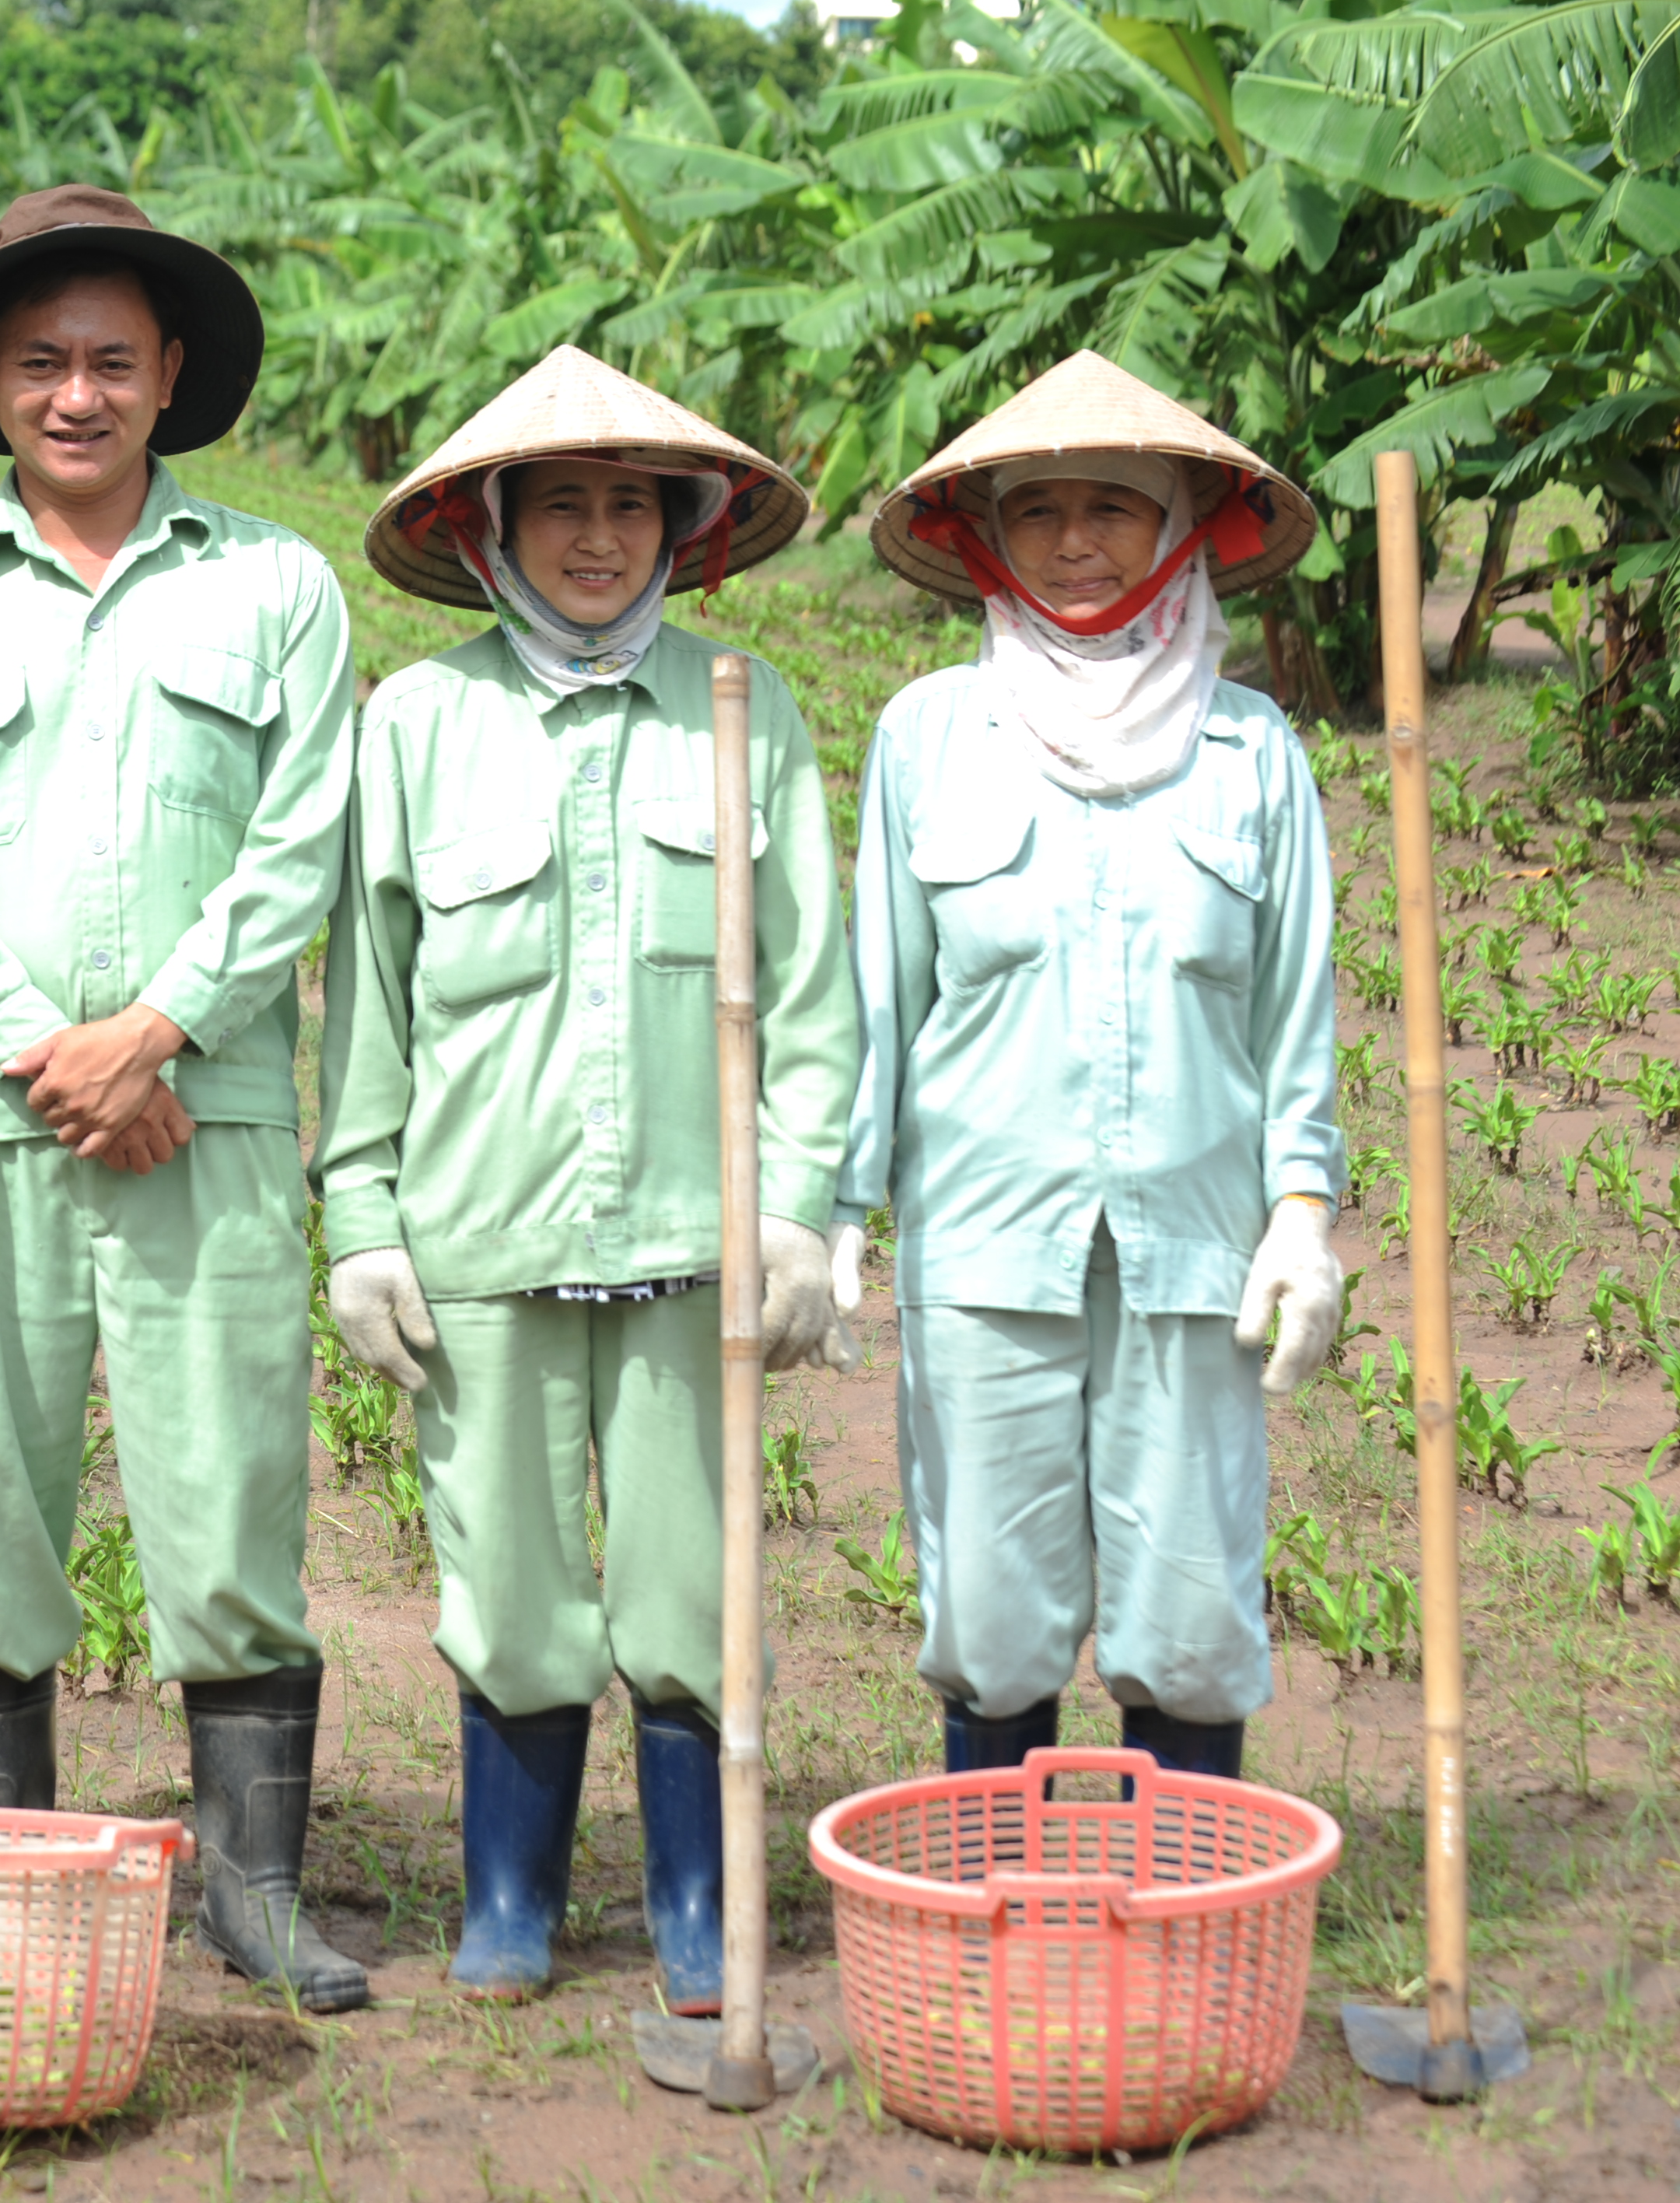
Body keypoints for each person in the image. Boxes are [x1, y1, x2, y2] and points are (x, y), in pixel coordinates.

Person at [0, 185, 367, 2011]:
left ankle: (251, 1891)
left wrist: (158, 1028)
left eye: (113, 362)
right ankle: (13, 1877)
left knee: (229, 1487)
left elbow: (300, 839)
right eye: (43, 359)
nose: (78, 394)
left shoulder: (276, 589)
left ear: (172, 381)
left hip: (201, 1116)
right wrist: (50, 1052)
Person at [317, 348, 854, 2004]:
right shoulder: (413, 725)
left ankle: (697, 1905)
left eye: (633, 505)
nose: (599, 537)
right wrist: (361, 1221)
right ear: (491, 531)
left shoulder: (747, 712)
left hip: (696, 1242)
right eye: (563, 506)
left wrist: (800, 1206)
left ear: (684, 529)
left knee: (693, 1586)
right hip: (485, 1234)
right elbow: (368, 1005)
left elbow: (817, 991)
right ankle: (512, 1900)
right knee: (512, 1583)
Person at [837, 349, 1344, 1781]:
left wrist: (1302, 1210)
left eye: (1113, 507)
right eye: (1040, 508)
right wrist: (830, 1210)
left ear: (1182, 526)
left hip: (1196, 1243)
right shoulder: (929, 739)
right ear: (984, 534)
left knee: (1190, 1606)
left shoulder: (1253, 755)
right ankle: (1008, 1900)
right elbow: (880, 997)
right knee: (990, 1615)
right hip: (986, 1239)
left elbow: (1292, 1010)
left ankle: (1180, 1909)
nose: (1074, 541)